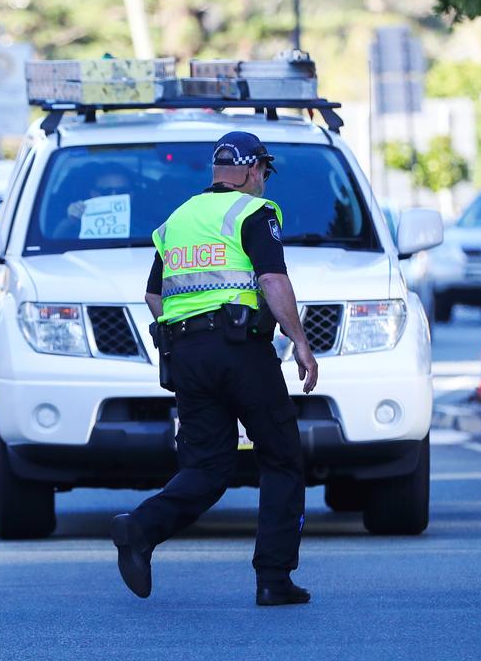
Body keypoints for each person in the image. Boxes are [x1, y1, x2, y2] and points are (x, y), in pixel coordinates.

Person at [111, 130, 318, 607]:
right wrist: (301, 343)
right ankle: (274, 578)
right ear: (250, 168)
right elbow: (271, 278)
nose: (264, 180)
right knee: (282, 456)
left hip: (185, 354)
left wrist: (185, 331)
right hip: (239, 349)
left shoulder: (178, 219)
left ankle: (140, 528)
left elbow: (153, 295)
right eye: (264, 170)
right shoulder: (252, 212)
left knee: (207, 467)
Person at [52, 162, 135, 239]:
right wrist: (70, 221)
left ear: (131, 195)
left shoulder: (146, 224)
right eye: (106, 191)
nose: (114, 196)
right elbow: (54, 246)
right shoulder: (78, 220)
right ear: (94, 194)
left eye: (122, 191)